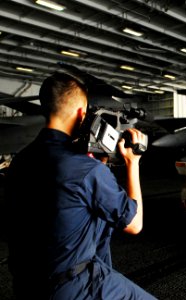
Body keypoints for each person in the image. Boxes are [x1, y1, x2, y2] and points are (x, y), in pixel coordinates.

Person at [5, 72, 156, 299]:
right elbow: (134, 224)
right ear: (81, 113)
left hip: (26, 283)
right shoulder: (86, 169)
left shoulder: (21, 161)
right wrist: (132, 163)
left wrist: (99, 163)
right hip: (74, 286)